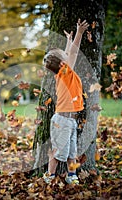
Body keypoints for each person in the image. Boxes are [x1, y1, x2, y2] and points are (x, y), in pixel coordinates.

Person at [42, 19, 89, 184]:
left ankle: (72, 176)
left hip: (69, 121)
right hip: (62, 121)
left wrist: (68, 40)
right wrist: (79, 33)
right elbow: (74, 53)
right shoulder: (65, 73)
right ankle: (50, 176)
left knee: (71, 152)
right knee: (58, 152)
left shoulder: (64, 73)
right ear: (63, 63)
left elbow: (69, 54)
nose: (66, 52)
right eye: (63, 54)